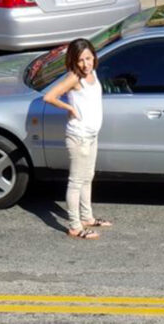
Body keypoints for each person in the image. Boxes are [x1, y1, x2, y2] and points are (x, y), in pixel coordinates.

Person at [43, 39, 112, 239]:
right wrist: (70, 108)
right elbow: (50, 97)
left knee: (88, 177)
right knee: (75, 182)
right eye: (80, 60)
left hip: (91, 135)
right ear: (73, 61)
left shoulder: (92, 74)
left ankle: (87, 217)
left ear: (94, 57)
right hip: (79, 137)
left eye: (88, 58)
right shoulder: (75, 78)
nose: (85, 64)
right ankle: (75, 226)